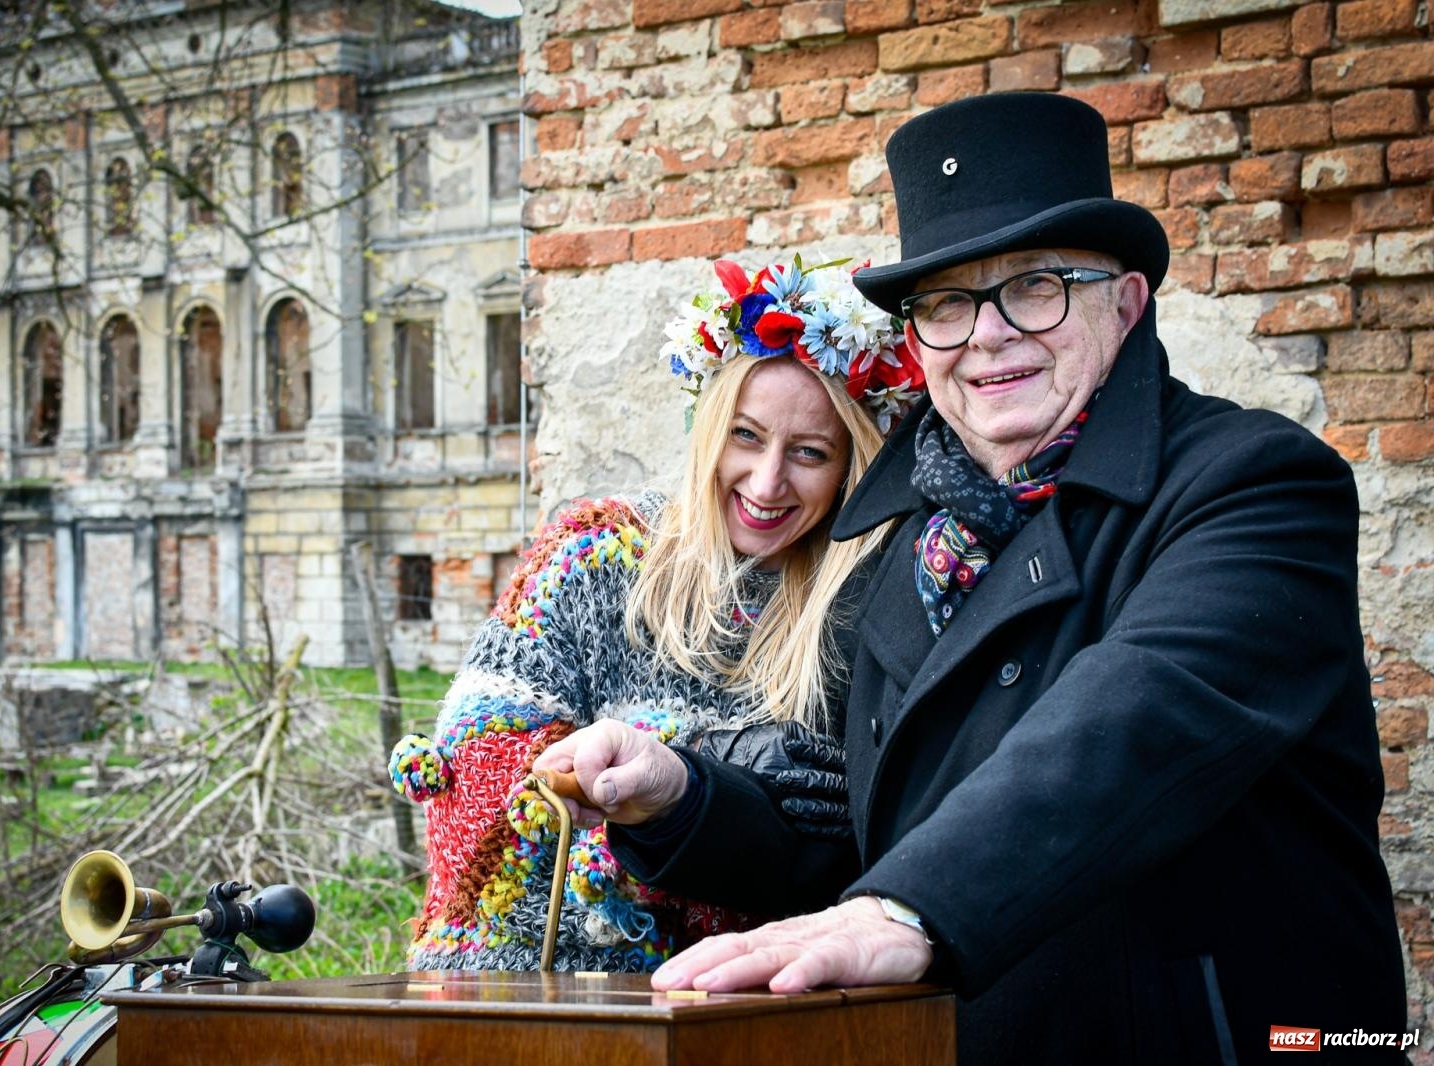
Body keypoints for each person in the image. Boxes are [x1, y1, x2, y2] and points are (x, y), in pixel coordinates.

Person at [542, 92, 1407, 1061]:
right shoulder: (903, 550)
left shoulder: (1253, 483)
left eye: (1035, 285)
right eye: (946, 304)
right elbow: (855, 853)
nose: (986, 334)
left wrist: (908, 909)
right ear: (916, 342)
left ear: (1124, 302)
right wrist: (685, 798)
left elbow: (1139, 720)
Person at [386, 257, 924, 972]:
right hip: (518, 988)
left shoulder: (862, 602)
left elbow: (833, 854)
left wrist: (680, 800)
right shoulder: (594, 553)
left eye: (810, 452)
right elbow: (479, 759)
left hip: (727, 1008)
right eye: (746, 436)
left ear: (851, 464)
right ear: (706, 427)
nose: (767, 482)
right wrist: (702, 764)